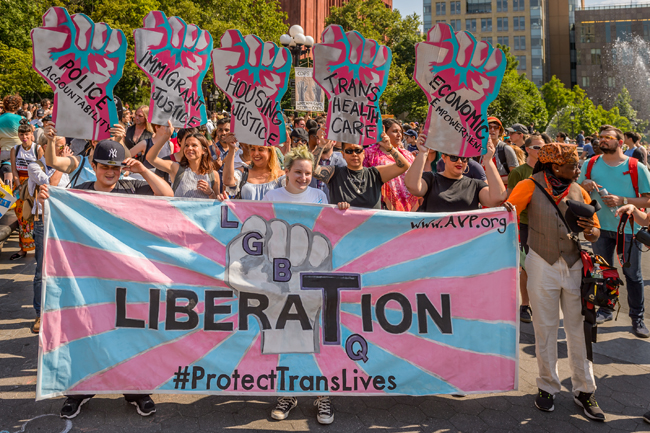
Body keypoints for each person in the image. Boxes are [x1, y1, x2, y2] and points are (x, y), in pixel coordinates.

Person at [39, 139, 172, 419]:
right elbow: (55, 210)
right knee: (85, 330)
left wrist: (143, 171)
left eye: (115, 166)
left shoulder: (132, 188)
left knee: (130, 332)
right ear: (94, 166)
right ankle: (79, 390)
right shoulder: (79, 192)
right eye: (104, 166)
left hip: (127, 279)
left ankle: (136, 390)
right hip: (89, 280)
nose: (110, 172)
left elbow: (167, 195)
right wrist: (45, 197)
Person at [506, 143, 604, 421]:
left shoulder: (579, 190)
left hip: (574, 266)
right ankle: (547, 386)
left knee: (578, 329)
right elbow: (507, 215)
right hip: (540, 262)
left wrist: (592, 230)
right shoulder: (528, 185)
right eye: (573, 165)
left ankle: (585, 390)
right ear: (554, 166)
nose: (577, 169)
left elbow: (595, 231)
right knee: (545, 328)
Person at [262, 145, 348, 425]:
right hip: (281, 277)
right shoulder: (271, 195)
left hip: (315, 274)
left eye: (308, 173)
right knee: (286, 333)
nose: (303, 177)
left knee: (318, 334)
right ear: (286, 171)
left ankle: (323, 396)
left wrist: (342, 211)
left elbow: (331, 228)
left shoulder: (319, 195)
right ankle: (288, 393)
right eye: (298, 172)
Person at [578, 125, 650, 338]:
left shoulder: (636, 167)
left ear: (620, 142)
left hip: (629, 229)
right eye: (600, 137)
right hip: (599, 228)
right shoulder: (590, 164)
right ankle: (606, 309)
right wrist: (585, 184)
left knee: (633, 275)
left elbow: (648, 199)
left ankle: (637, 319)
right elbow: (579, 189)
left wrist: (623, 200)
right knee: (601, 271)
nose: (602, 140)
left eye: (607, 137)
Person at [28, 132, 70, 334]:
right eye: (59, 146)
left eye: (64, 146)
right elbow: (51, 184)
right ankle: (39, 314)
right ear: (46, 146)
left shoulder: (68, 165)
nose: (64, 149)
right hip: (44, 222)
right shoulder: (35, 165)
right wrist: (63, 165)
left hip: (65, 222)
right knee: (42, 270)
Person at [311, 130, 410, 210]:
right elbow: (312, 170)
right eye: (349, 151)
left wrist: (389, 147)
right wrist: (321, 145)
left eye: (358, 150)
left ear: (363, 154)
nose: (354, 154)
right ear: (343, 154)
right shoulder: (335, 173)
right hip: (342, 230)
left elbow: (404, 166)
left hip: (370, 230)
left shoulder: (374, 174)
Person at [405, 135, 506, 212]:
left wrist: (488, 160)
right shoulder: (431, 179)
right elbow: (413, 187)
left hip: (465, 238)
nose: (459, 162)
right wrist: (423, 153)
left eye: (464, 159)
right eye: (454, 157)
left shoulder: (475, 185)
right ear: (444, 158)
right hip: (434, 237)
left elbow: (497, 198)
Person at [506, 134, 544, 323]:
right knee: (526, 266)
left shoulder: (550, 170)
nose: (540, 151)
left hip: (546, 225)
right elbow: (512, 202)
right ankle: (525, 305)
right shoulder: (519, 172)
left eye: (543, 147)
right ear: (528, 149)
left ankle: (542, 303)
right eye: (537, 147)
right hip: (526, 224)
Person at [147, 121, 220, 199]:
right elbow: (151, 158)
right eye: (186, 145)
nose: (189, 148)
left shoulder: (213, 175)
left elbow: (217, 204)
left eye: (194, 145)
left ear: (204, 150)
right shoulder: (176, 168)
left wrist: (211, 193)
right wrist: (166, 136)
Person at [363, 119, 417, 211]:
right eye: (395, 131)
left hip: (407, 207)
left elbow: (416, 178)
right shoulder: (369, 153)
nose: (399, 135)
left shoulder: (407, 154)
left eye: (400, 131)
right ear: (383, 132)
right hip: (380, 206)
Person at [9, 119, 41, 260]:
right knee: (22, 219)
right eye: (21, 134)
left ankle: (38, 247)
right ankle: (23, 248)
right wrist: (19, 184)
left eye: (27, 134)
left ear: (31, 133)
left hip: (34, 185)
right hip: (20, 185)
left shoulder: (38, 149)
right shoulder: (15, 149)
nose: (24, 137)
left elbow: (42, 169)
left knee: (34, 217)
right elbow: (14, 170)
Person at [222, 135, 285, 200]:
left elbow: (294, 190)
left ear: (270, 152)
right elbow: (228, 181)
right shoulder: (243, 173)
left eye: (261, 149)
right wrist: (231, 149)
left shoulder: (281, 176)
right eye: (253, 149)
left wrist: (287, 153)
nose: (256, 153)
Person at [485, 117, 519, 185]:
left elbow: (516, 176)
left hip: (503, 193)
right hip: (482, 193)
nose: (492, 130)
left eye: (496, 127)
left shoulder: (506, 149)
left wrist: (491, 181)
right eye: (489, 127)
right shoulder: (478, 149)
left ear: (500, 131)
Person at [0, 94, 24, 185]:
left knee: (6, 183)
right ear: (18, 106)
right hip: (19, 152)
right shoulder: (22, 119)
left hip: (4, 152)